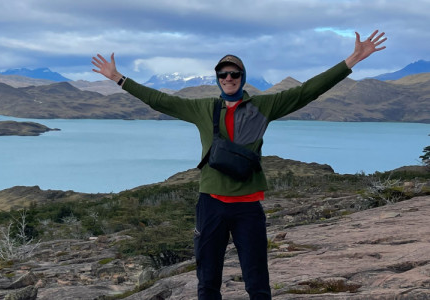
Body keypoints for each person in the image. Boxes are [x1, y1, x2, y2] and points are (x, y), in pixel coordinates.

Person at [92, 30, 387, 299]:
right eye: (223, 74)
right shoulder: (203, 108)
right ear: (217, 78)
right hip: (211, 204)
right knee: (208, 280)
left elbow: (307, 91)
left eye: (234, 74)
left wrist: (352, 60)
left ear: (242, 77)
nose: (228, 78)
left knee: (257, 281)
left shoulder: (263, 107)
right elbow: (158, 100)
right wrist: (119, 78)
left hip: (248, 206)